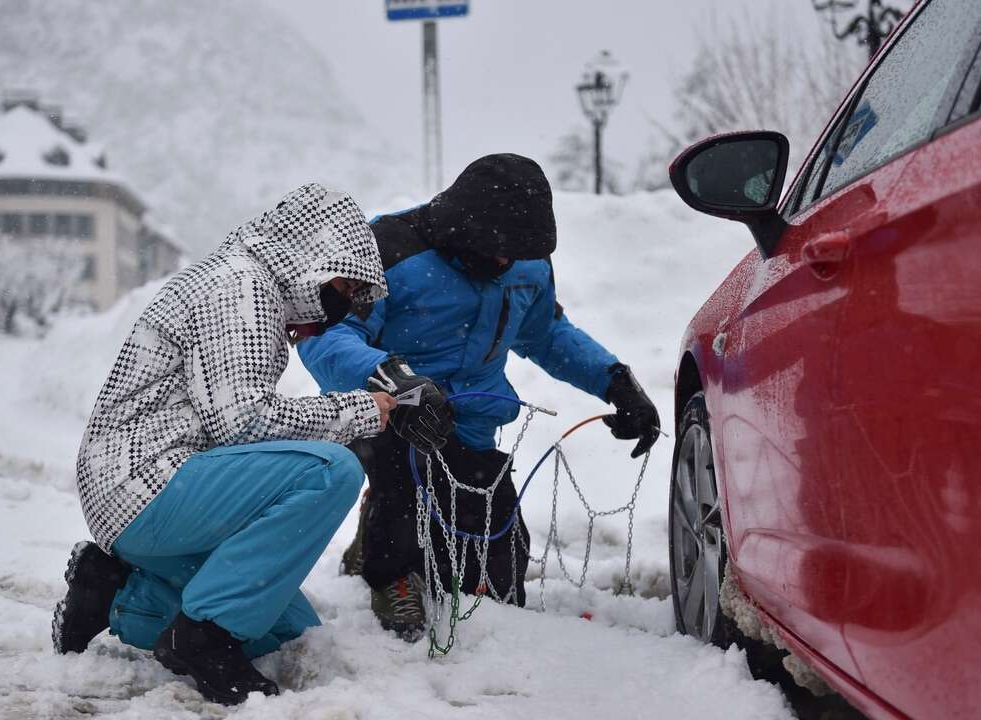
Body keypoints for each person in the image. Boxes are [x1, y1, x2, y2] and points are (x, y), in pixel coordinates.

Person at [50, 184, 403, 706]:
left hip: (141, 495)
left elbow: (231, 424)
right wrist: (359, 412)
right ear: (310, 260)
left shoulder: (247, 283)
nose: (341, 307)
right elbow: (244, 422)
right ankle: (204, 639)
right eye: (343, 288)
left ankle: (114, 591)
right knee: (332, 471)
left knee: (283, 632)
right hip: (147, 480)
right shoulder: (242, 287)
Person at [296, 154, 661, 642]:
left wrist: (615, 382)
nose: (506, 262)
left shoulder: (525, 260)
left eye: (516, 252)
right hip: (390, 417)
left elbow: (547, 334)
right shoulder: (389, 250)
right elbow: (328, 335)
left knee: (496, 580)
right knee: (404, 516)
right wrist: (393, 380)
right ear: (462, 228)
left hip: (470, 425)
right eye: (498, 251)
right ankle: (387, 570)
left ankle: (391, 537)